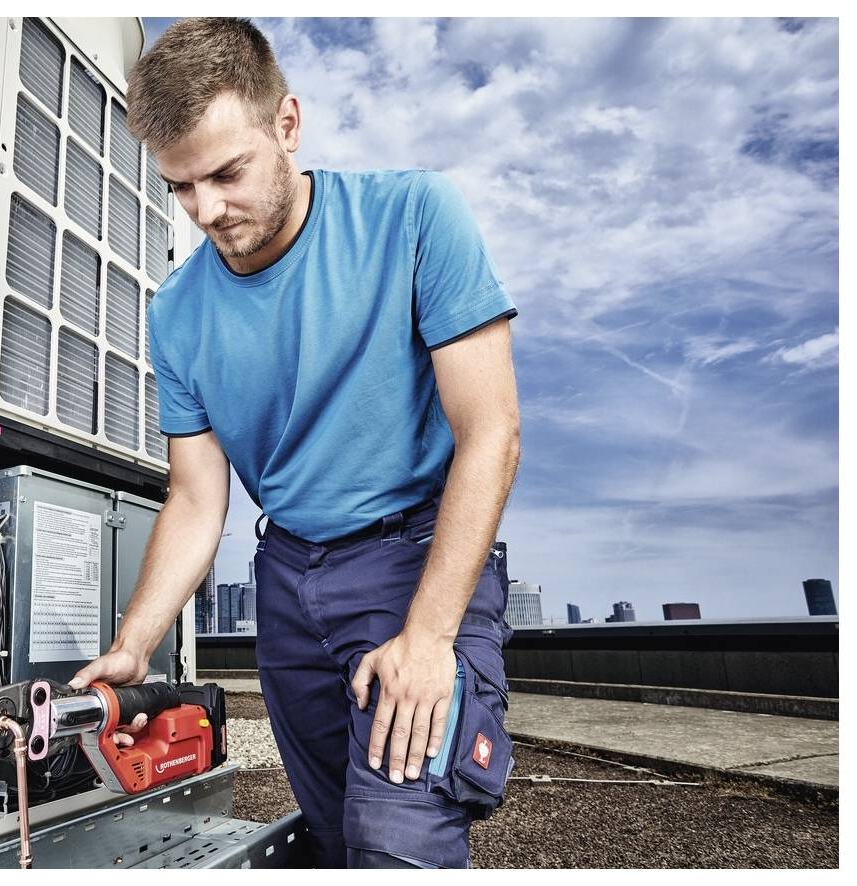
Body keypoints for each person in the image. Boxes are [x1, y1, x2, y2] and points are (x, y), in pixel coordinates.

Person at [69, 17, 521, 868]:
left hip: (411, 562)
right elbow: (196, 496)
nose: (206, 211)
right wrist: (134, 644)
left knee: (397, 843)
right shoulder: (177, 313)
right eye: (180, 187)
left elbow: (491, 432)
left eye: (225, 174)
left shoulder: (413, 214)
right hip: (286, 582)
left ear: (286, 124)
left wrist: (428, 638)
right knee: (336, 838)